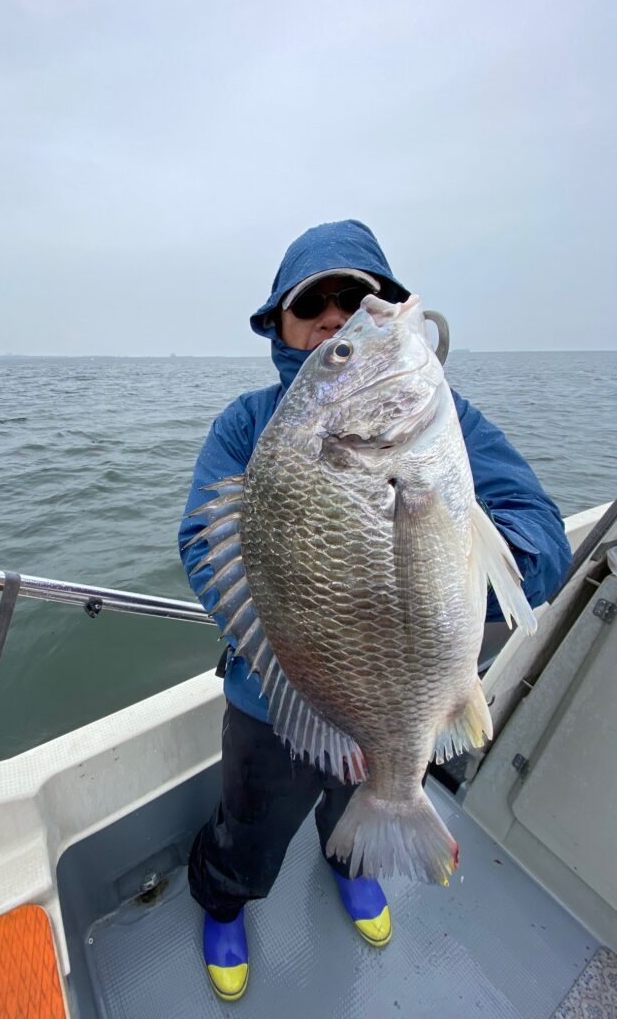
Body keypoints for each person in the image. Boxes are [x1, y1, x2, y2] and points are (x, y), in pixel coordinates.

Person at [178, 219, 572, 1002]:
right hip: (273, 695)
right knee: (250, 827)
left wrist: (466, 561)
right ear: (281, 328)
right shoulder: (247, 426)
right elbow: (201, 544)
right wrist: (305, 647)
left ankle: (354, 862)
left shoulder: (446, 424)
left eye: (355, 302)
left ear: (388, 303)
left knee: (345, 816)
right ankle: (225, 899)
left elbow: (544, 540)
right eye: (313, 308)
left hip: (405, 688)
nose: (335, 318)